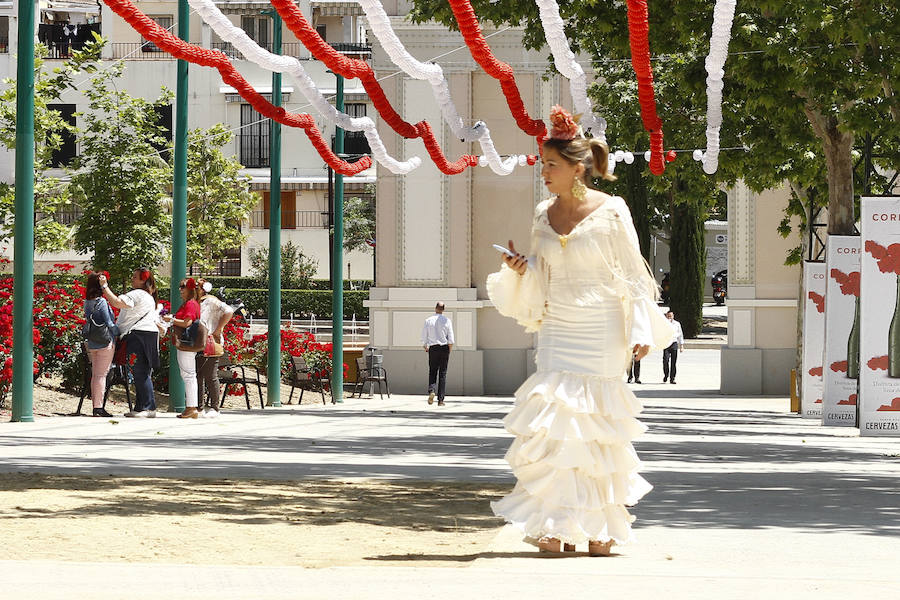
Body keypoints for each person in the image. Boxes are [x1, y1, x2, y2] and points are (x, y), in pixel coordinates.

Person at [486, 106, 672, 556]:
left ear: (576, 168)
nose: (543, 172)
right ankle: (553, 525)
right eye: (542, 164)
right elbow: (541, 275)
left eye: (551, 165)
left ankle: (598, 529)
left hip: (603, 326)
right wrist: (518, 269)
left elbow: (633, 273)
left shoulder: (613, 210)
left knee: (598, 427)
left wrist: (641, 328)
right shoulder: (541, 214)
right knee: (556, 426)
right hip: (558, 326)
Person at [99, 268, 162, 418]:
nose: (132, 279)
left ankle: (148, 407)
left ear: (142, 280)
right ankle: (141, 406)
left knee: (139, 371)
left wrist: (104, 286)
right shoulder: (148, 296)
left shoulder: (137, 294)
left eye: (135, 277)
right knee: (142, 372)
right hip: (148, 335)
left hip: (138, 335)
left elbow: (117, 302)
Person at [195, 279, 234, 417]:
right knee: (198, 376)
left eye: (196, 287)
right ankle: (199, 407)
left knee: (210, 376)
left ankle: (214, 408)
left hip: (210, 341)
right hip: (199, 342)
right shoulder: (197, 302)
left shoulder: (211, 300)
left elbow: (229, 310)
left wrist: (218, 329)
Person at [83, 272, 119, 417]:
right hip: (105, 341)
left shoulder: (87, 302)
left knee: (96, 374)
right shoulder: (101, 302)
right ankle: (98, 407)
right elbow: (109, 322)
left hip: (92, 341)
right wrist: (119, 331)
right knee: (101, 375)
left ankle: (95, 405)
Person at [166, 278, 202, 419]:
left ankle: (191, 407)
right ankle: (191, 407)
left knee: (188, 375)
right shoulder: (190, 303)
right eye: (180, 287)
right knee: (189, 375)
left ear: (190, 289)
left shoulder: (190, 304)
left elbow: (187, 322)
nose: (180, 290)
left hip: (187, 343)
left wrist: (172, 320)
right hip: (186, 343)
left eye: (183, 287)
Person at [421, 302, 454, 406]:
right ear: (443, 309)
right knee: (443, 374)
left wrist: (426, 346)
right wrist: (449, 350)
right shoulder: (447, 321)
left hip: (433, 348)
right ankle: (440, 400)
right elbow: (451, 339)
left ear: (435, 308)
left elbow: (423, 337)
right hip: (444, 348)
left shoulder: (428, 320)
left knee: (432, 371)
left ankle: (431, 391)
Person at [662, 310, 685, 384]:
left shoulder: (677, 324)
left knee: (673, 362)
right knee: (665, 360)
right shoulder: (664, 324)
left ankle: (672, 378)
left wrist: (681, 346)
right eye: (668, 316)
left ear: (673, 316)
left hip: (674, 343)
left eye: (670, 316)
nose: (669, 317)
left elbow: (680, 335)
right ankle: (666, 375)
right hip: (666, 343)